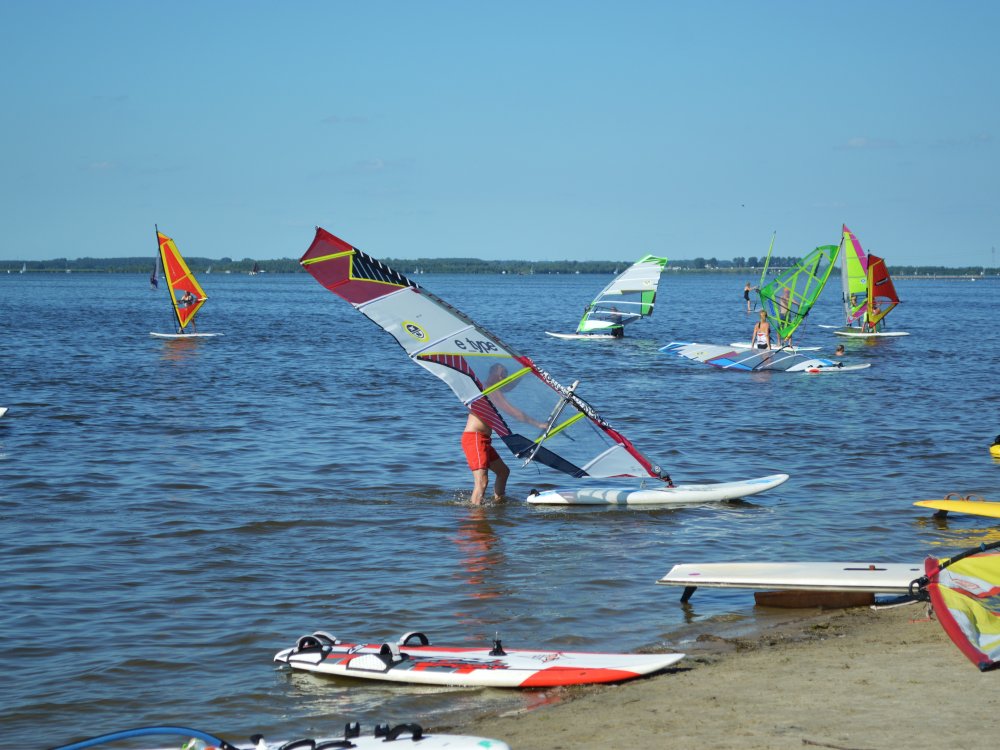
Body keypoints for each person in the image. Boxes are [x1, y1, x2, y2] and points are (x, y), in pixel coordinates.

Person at [461, 363, 545, 505]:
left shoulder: (495, 389)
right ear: (492, 374)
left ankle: (499, 503)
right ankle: (476, 517)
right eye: (500, 374)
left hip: (484, 439)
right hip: (474, 438)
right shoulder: (488, 389)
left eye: (504, 375)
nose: (502, 377)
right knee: (482, 482)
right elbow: (515, 413)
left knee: (503, 472)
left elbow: (508, 386)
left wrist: (523, 373)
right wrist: (539, 424)